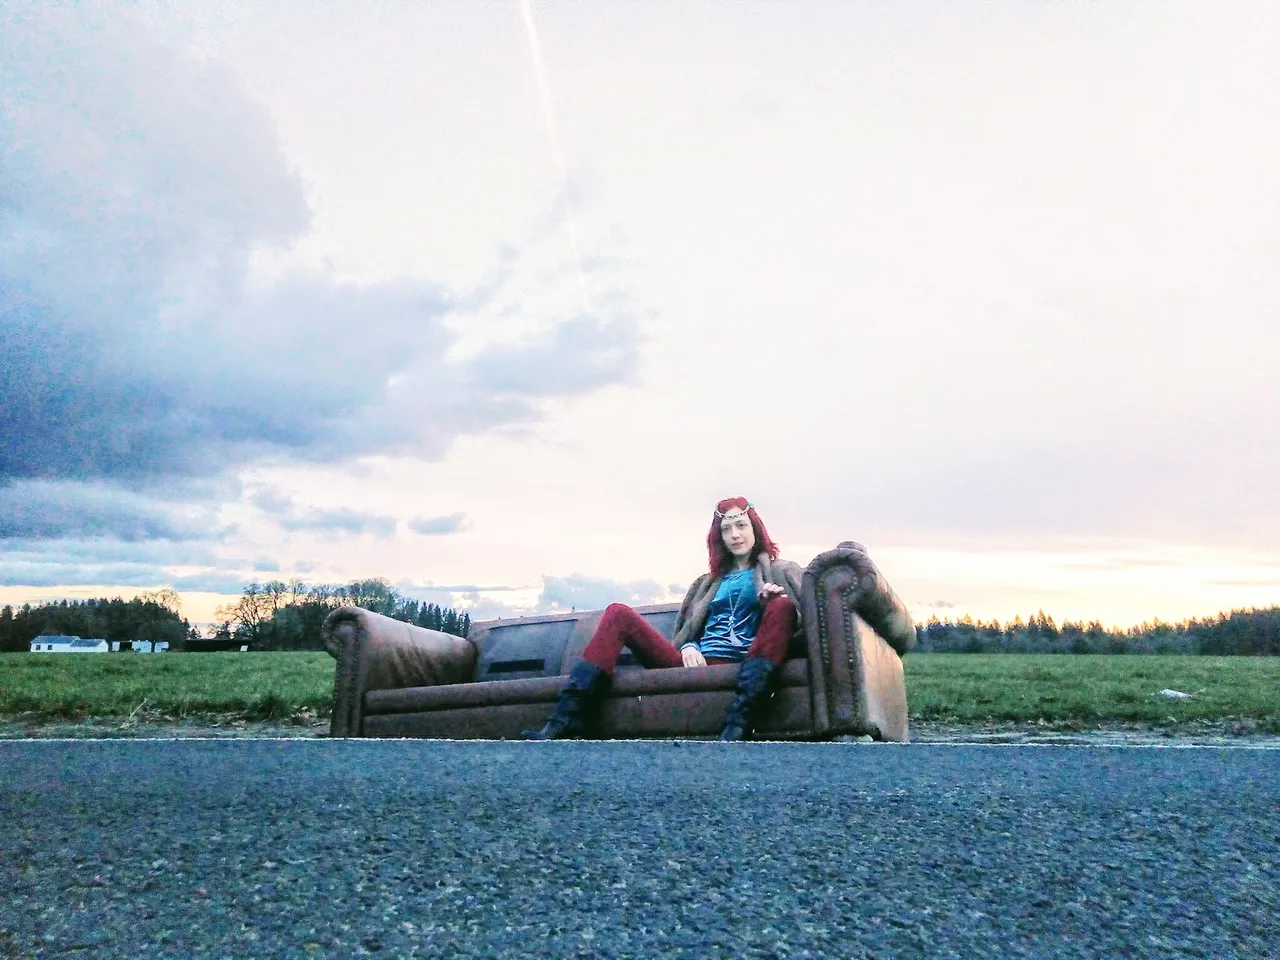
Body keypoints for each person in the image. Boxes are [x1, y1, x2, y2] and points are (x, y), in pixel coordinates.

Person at [522, 496, 803, 742]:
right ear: (719, 538)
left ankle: (739, 723)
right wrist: (689, 646)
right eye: (726, 529)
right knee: (618, 612)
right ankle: (565, 719)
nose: (735, 535)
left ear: (755, 529)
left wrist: (771, 603)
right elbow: (684, 633)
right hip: (696, 663)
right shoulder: (705, 583)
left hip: (746, 663)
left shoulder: (781, 571)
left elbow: (801, 626)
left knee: (782, 607)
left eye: (741, 526)